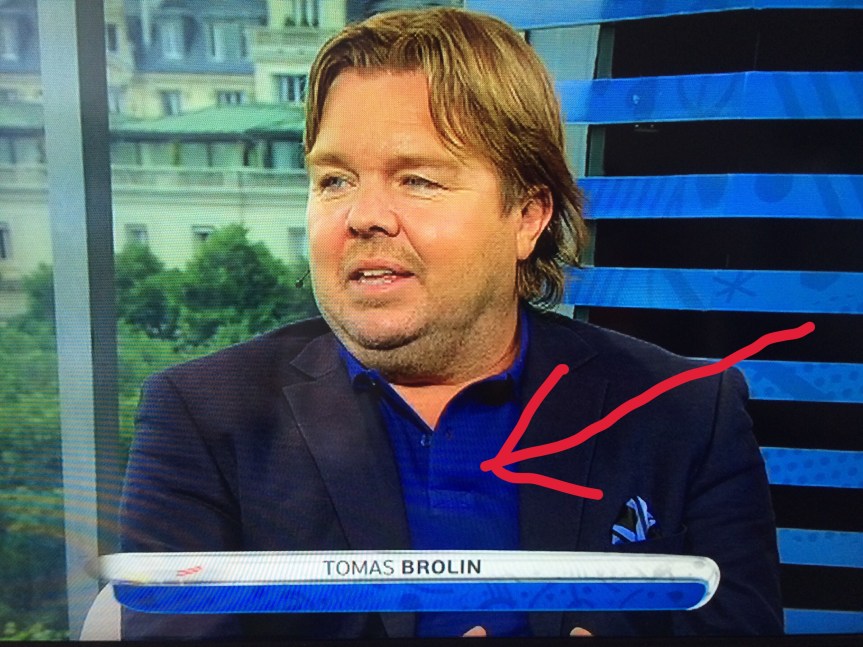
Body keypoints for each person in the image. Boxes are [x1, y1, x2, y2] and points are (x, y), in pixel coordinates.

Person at [120, 7, 783, 639]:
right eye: (334, 180)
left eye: (417, 180)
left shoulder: (686, 413)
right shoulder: (204, 416)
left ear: (527, 216)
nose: (363, 215)